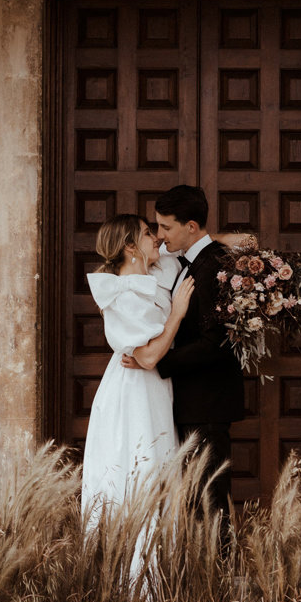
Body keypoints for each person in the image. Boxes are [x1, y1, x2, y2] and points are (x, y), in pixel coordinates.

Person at [123, 185, 246, 522]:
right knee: (196, 500)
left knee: (209, 500)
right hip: (190, 401)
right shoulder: (190, 260)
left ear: (191, 227)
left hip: (207, 402)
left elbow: (217, 343)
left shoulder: (214, 267)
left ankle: (219, 573)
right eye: (157, 228)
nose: (160, 236)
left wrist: (157, 362)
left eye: (166, 227)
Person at [81, 214, 195, 523]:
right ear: (131, 246)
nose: (157, 237)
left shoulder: (159, 270)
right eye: (148, 233)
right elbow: (147, 357)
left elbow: (206, 243)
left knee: (160, 466)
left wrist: (223, 239)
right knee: (139, 467)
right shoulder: (123, 295)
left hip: (155, 388)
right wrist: (177, 314)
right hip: (133, 392)